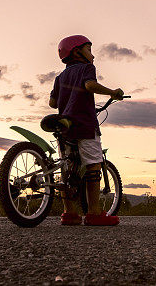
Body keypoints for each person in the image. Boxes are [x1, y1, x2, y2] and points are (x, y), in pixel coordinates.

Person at [49, 35, 124, 226]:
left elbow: (53, 103)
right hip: (83, 122)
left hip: (64, 126)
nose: (93, 55)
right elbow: (89, 85)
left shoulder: (60, 77)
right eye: (89, 50)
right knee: (93, 164)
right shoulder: (87, 68)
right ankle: (94, 213)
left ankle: (70, 214)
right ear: (77, 52)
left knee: (67, 167)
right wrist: (112, 92)